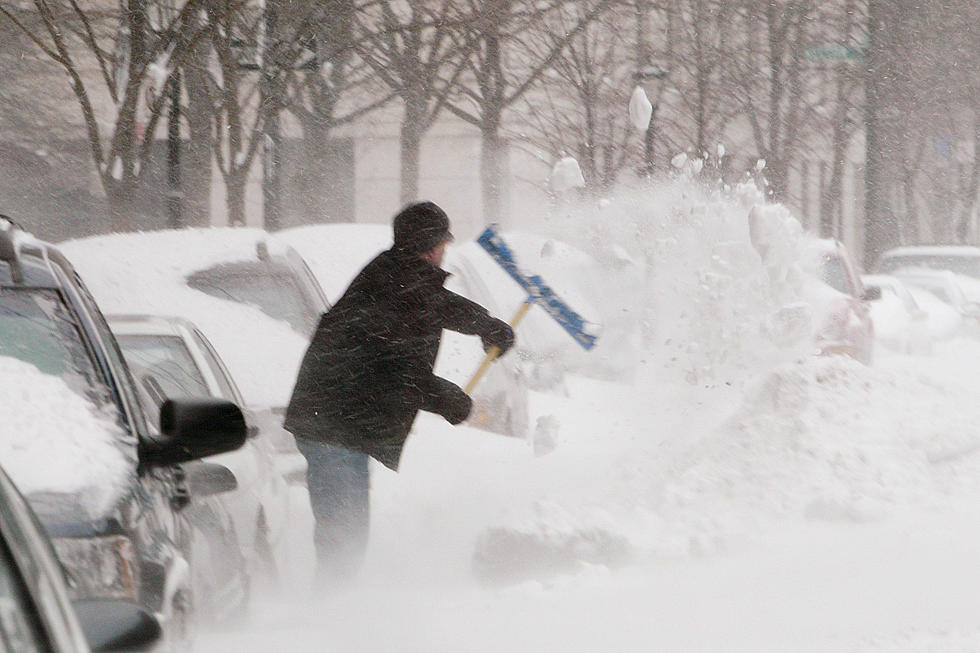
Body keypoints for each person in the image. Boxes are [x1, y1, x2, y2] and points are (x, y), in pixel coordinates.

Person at [283, 200, 515, 584]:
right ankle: (327, 619)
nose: (445, 250)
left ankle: (333, 611)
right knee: (345, 534)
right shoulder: (396, 283)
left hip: (335, 420)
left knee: (347, 531)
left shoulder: (394, 273)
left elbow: (439, 304)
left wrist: (487, 326)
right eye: (443, 242)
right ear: (431, 245)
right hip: (334, 423)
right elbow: (398, 371)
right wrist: (451, 401)